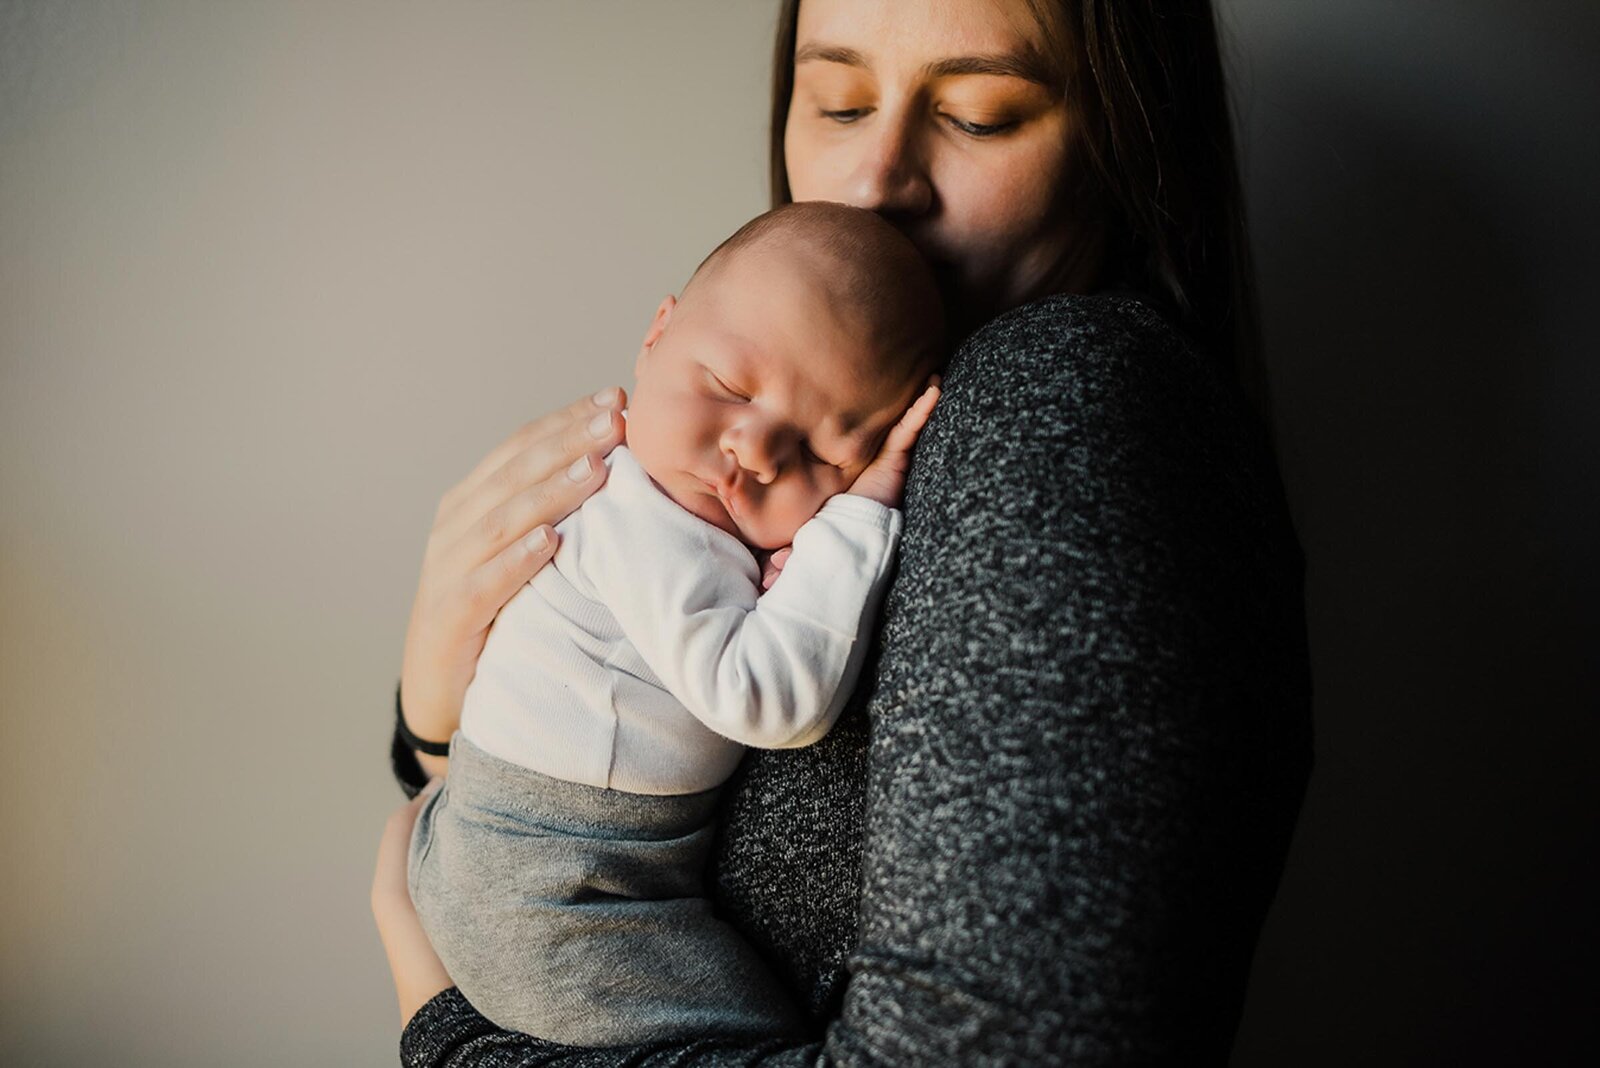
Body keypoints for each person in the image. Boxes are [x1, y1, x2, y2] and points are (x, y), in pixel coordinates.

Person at [371, 0, 1314, 1063]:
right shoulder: (764, 449)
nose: (876, 184)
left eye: (981, 112)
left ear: (1122, 142)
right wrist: (435, 729)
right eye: (839, 100)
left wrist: (447, 1033)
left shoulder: (1050, 398)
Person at [407, 202, 944, 1045]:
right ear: (656, 334)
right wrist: (860, 513)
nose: (760, 452)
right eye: (730, 387)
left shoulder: (680, 524)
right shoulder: (638, 520)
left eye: (827, 456)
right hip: (554, 891)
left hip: (523, 858)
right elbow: (765, 698)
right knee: (756, 1045)